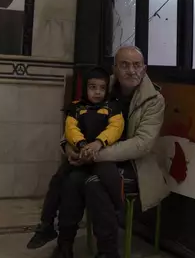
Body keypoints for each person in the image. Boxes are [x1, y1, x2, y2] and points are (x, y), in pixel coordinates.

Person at [54, 46, 171, 258]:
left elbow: (142, 144)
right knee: (71, 180)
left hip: (136, 165)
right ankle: (64, 246)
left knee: (95, 185)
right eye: (124, 65)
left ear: (144, 69)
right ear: (115, 69)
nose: (131, 70)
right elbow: (74, 121)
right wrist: (68, 146)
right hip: (93, 157)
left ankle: (107, 252)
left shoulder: (154, 100)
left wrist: (93, 154)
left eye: (137, 65)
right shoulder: (101, 88)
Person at [27, 67, 125, 250]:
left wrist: (97, 143)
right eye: (92, 87)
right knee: (60, 181)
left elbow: (115, 129)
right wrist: (80, 146)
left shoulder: (113, 107)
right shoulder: (76, 107)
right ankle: (47, 226)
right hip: (80, 155)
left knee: (108, 177)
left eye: (101, 88)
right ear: (84, 89)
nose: (97, 92)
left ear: (107, 89)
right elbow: (71, 129)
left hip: (102, 157)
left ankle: (119, 214)